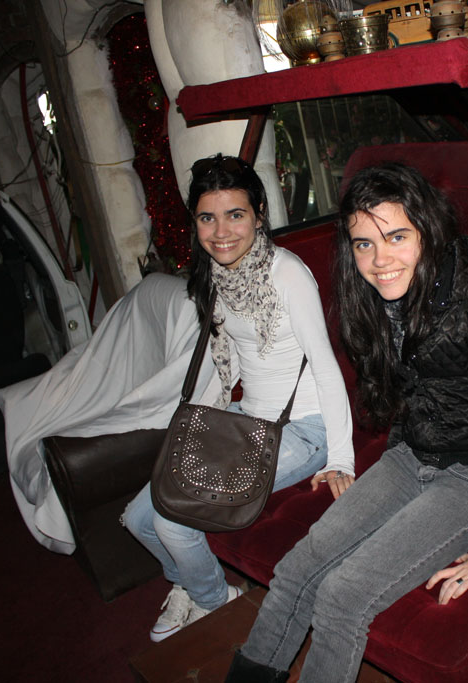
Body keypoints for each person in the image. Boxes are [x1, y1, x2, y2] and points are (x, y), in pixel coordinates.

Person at [226, 162, 468, 682]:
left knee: (343, 595)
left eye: (397, 237)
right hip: (413, 455)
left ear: (428, 230)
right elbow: (412, 393)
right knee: (297, 568)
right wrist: (383, 478)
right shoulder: (379, 297)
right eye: (364, 244)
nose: (379, 260)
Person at [123, 154, 355, 642]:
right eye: (207, 218)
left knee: (174, 524)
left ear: (259, 214)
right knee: (139, 518)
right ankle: (190, 583)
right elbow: (228, 359)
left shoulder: (286, 274)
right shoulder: (216, 272)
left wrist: (342, 459)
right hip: (245, 416)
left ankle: (217, 605)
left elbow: (326, 366)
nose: (221, 232)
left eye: (235, 215)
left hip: (302, 428)